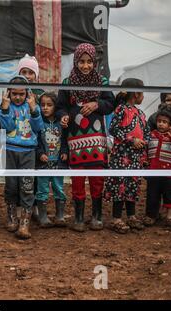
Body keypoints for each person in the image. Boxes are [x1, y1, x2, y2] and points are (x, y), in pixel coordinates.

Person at [56, 43, 115, 232]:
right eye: (81, 61)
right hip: (75, 139)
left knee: (97, 179)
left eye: (89, 62)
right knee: (78, 179)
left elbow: (110, 104)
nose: (86, 65)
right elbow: (60, 107)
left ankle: (97, 216)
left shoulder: (102, 82)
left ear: (94, 62)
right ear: (75, 61)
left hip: (96, 141)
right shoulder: (67, 83)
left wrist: (96, 104)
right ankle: (79, 218)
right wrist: (63, 116)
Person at [0, 75, 44, 239]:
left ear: (28, 93)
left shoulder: (33, 106)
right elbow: (7, 126)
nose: (18, 97)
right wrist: (5, 109)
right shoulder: (6, 106)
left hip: (28, 151)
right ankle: (12, 216)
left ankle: (25, 222)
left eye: (21, 94)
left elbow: (38, 127)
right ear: (8, 93)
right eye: (14, 94)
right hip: (10, 150)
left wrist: (33, 109)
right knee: (11, 185)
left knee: (27, 185)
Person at [104, 78, 149, 234]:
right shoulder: (121, 109)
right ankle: (116, 218)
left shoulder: (141, 114)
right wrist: (131, 140)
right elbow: (114, 129)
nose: (143, 96)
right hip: (121, 156)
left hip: (135, 157)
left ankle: (131, 216)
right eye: (142, 93)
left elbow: (147, 132)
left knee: (132, 185)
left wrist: (143, 143)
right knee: (119, 185)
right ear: (136, 94)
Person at [36, 92, 68, 228]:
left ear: (55, 106)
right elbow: (36, 141)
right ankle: (43, 216)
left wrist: (65, 152)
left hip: (57, 163)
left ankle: (60, 215)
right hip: (43, 164)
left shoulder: (62, 124)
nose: (45, 108)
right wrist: (40, 153)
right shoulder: (38, 122)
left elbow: (65, 140)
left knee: (59, 188)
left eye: (49, 105)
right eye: (42, 105)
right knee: (42, 189)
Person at [143, 106, 171, 228]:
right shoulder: (151, 135)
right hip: (153, 172)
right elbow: (145, 149)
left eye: (164, 122)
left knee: (170, 194)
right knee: (152, 195)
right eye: (159, 121)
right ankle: (151, 216)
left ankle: (169, 217)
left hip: (170, 173)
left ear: (170, 125)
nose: (161, 124)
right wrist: (144, 160)